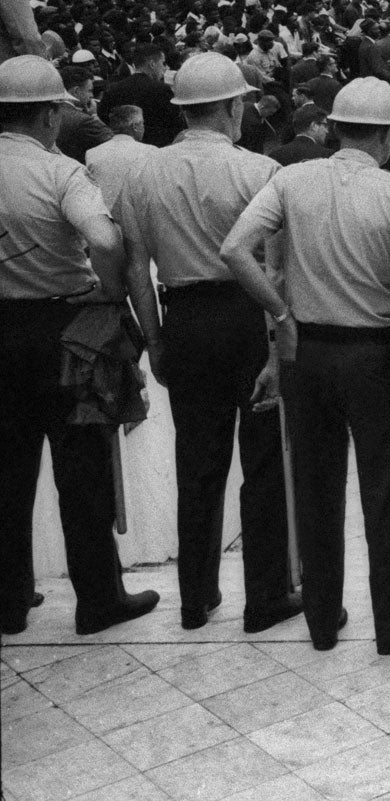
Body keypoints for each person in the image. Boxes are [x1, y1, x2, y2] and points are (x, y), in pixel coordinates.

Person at [219, 76, 390, 654]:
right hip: (374, 354)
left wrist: (280, 316)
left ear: (336, 129)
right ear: (388, 139)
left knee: (316, 487)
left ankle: (323, 619)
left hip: (306, 352)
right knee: (388, 488)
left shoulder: (290, 179)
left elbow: (234, 251)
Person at [116, 52, 298, 634]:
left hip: (185, 320)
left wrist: (156, 341)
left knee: (196, 462)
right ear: (226, 107)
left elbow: (136, 271)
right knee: (263, 461)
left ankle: (195, 598)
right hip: (246, 318)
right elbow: (275, 271)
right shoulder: (257, 171)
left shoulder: (143, 173)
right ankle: (265, 596)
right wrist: (276, 345)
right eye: (240, 101)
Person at [0, 56, 156, 637]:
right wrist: (109, 292)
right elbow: (101, 236)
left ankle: (9, 600)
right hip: (64, 334)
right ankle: (98, 599)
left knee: (7, 473)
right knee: (82, 471)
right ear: (46, 115)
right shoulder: (60, 173)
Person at [100, 41, 181, 147]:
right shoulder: (161, 89)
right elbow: (176, 123)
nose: (166, 68)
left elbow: (103, 114)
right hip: (158, 148)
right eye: (163, 63)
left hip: (125, 148)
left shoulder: (114, 89)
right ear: (152, 64)